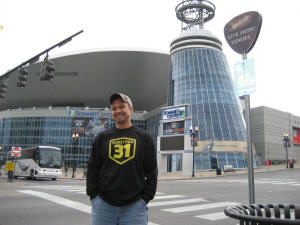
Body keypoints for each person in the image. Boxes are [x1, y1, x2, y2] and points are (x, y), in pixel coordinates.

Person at [86, 93, 157, 225]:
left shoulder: (144, 138)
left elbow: (152, 171)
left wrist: (144, 199)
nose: (118, 111)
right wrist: (94, 196)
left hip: (134, 207)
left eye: (122, 106)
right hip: (103, 206)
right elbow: (92, 168)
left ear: (130, 109)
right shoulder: (101, 138)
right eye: (114, 108)